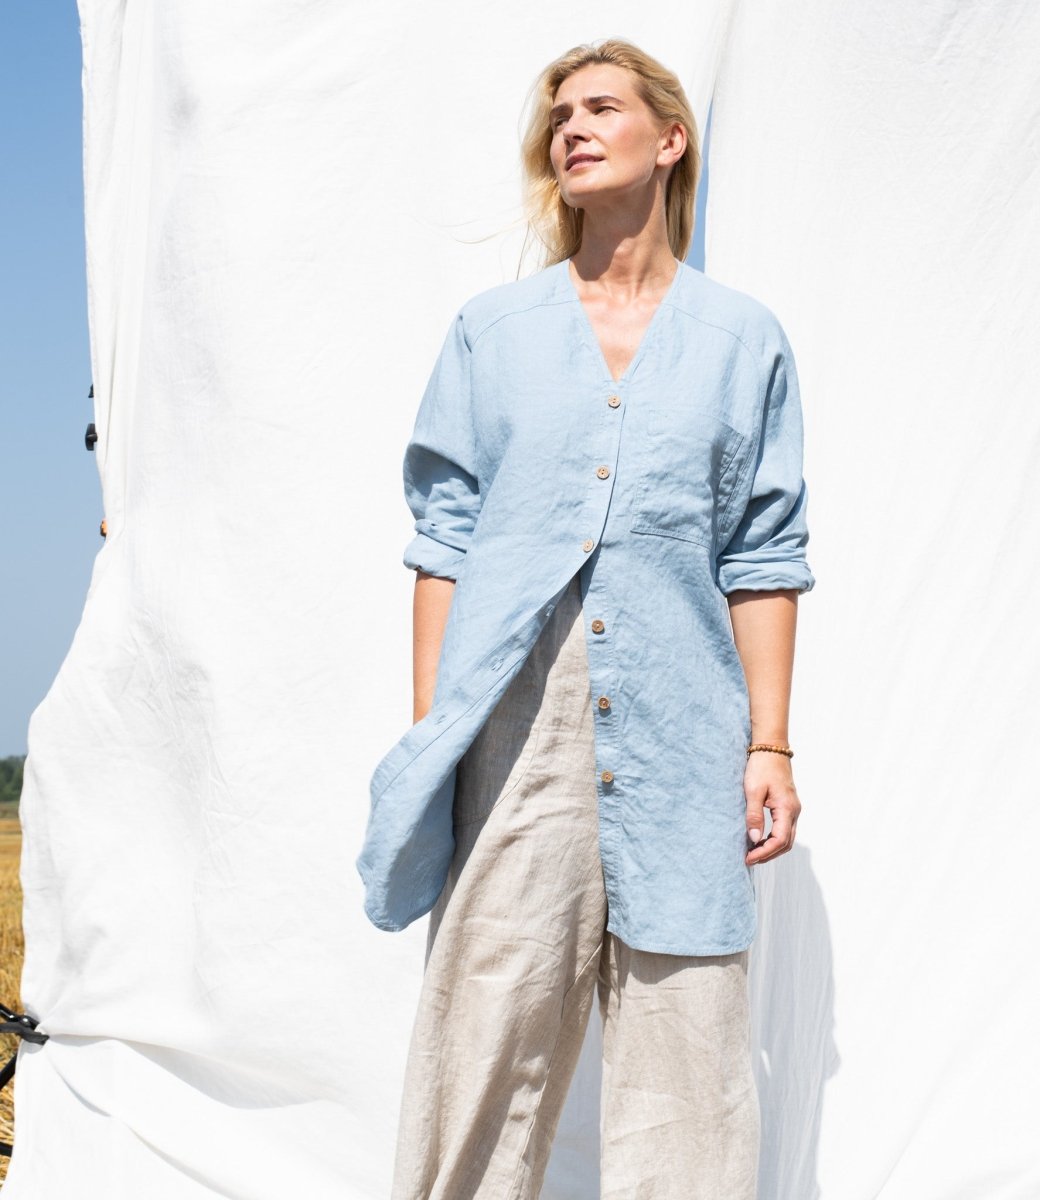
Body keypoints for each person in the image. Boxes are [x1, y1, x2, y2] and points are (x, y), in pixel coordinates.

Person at [356, 36, 816, 1200]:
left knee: (689, 1061)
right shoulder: (493, 332)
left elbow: (763, 556)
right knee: (481, 1042)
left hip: (683, 731)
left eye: (601, 107)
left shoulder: (743, 340)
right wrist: (437, 727)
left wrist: (768, 744)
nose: (572, 127)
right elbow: (444, 542)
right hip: (515, 733)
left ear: (670, 140)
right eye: (560, 115)